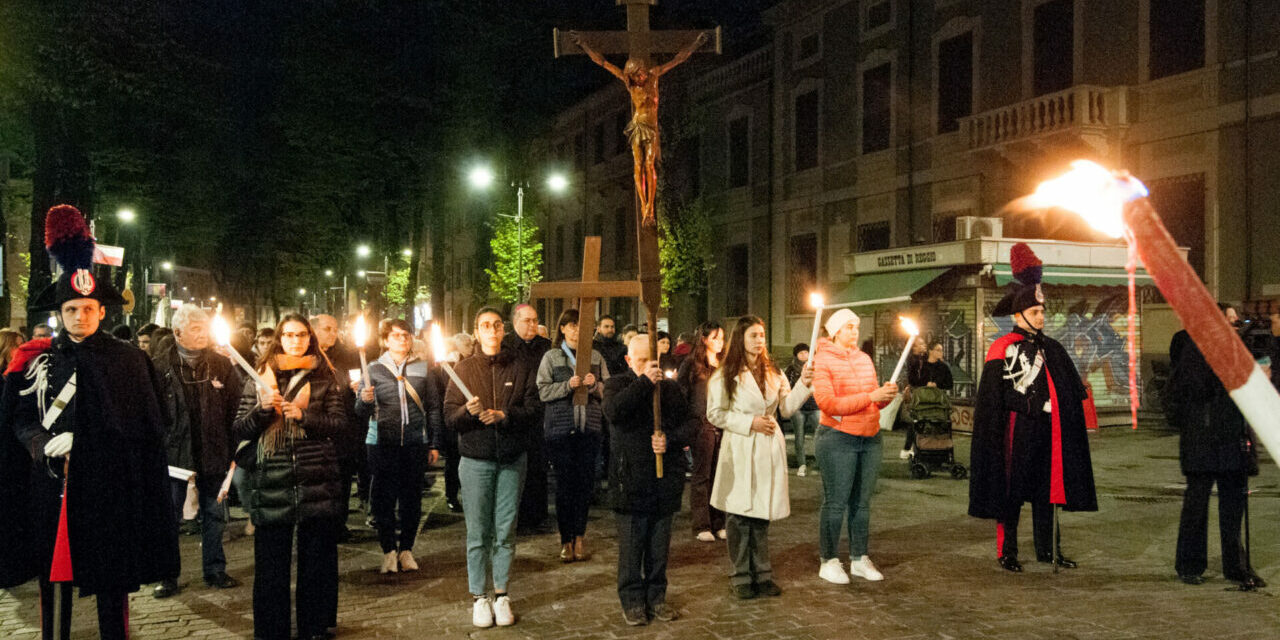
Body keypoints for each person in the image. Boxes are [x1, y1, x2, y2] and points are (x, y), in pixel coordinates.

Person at [0, 204, 178, 640]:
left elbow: (149, 427)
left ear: (103, 312)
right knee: (53, 581)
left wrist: (88, 440)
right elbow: (18, 418)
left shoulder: (130, 361)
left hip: (107, 490)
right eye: (72, 309)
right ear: (60, 313)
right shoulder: (34, 360)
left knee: (111, 583)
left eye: (89, 308)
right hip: (53, 489)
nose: (81, 316)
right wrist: (41, 442)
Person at [968, 243, 1097, 573]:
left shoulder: (1051, 347)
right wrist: (1033, 403)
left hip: (1048, 433)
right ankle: (1006, 551)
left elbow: (1069, 388)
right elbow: (995, 396)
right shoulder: (1002, 347)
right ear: (1018, 315)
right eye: (1036, 312)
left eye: (1042, 312)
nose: (1042, 316)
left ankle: (1048, 550)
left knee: (1047, 491)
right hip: (1017, 431)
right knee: (1011, 493)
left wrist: (1065, 405)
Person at [232, 314, 347, 640]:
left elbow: (339, 426)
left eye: (301, 335)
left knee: (317, 561)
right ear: (279, 339)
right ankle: (272, 629)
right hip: (272, 478)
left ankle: (315, 626)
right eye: (289, 335)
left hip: (316, 477)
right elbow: (240, 429)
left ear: (310, 338)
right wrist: (263, 410)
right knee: (271, 566)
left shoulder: (325, 377)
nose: (296, 341)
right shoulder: (258, 377)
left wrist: (306, 416)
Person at [443, 307, 540, 629]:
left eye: (497, 325)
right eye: (485, 325)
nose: (492, 330)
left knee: (505, 529)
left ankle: (501, 592)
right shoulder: (465, 369)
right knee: (478, 532)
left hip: (512, 459)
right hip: (476, 460)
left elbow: (533, 408)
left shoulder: (521, 366)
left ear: (503, 330)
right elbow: (449, 418)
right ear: (477, 332)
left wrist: (505, 416)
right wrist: (468, 412)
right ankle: (478, 596)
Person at [706, 316, 813, 599]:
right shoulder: (725, 373)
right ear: (741, 339)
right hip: (741, 446)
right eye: (753, 335)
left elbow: (787, 408)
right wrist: (749, 423)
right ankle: (741, 574)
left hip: (767, 446)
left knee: (761, 513)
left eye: (762, 334)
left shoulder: (772, 371)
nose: (759, 340)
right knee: (740, 514)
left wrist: (803, 383)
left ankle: (763, 574)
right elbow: (715, 413)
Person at [1169, 304, 1267, 588]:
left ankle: (1236, 566)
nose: (1235, 327)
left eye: (1237, 323)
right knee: (1197, 504)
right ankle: (1189, 564)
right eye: (1230, 322)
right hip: (1203, 437)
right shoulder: (1193, 347)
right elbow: (1194, 387)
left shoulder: (1240, 352)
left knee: (1234, 503)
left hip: (1233, 437)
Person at [153, 304, 243, 598]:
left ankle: (215, 569)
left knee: (214, 514)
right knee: (169, 517)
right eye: (195, 329)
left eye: (204, 327)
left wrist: (233, 447)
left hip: (214, 453)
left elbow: (236, 407)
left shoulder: (221, 364)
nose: (202, 334)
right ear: (178, 332)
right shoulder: (158, 367)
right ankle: (167, 575)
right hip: (175, 456)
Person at [603, 334, 692, 626]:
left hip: (664, 481)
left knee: (658, 548)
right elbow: (615, 412)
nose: (648, 367)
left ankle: (657, 596)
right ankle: (631, 600)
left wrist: (671, 439)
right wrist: (644, 382)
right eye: (641, 361)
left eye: (651, 361)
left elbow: (691, 423)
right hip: (630, 480)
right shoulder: (617, 384)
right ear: (629, 360)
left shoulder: (670, 389)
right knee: (632, 548)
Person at [811, 309, 897, 585]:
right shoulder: (822, 360)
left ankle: (859, 558)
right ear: (835, 331)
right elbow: (828, 403)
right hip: (838, 438)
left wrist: (884, 396)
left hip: (869, 437)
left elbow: (872, 400)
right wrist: (871, 396)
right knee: (836, 502)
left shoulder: (863, 359)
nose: (854, 331)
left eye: (856, 326)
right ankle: (829, 559)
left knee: (862, 503)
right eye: (849, 327)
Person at [355, 318, 442, 574]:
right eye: (395, 335)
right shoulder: (372, 368)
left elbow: (433, 407)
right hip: (382, 443)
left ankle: (406, 549)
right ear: (385, 340)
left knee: (411, 498)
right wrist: (364, 399)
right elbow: (361, 411)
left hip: (415, 442)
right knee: (383, 498)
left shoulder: (424, 369)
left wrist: (434, 442)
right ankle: (388, 551)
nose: (402, 340)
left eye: (406, 335)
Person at [537, 309, 608, 562]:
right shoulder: (552, 357)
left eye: (582, 326)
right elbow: (543, 391)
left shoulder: (596, 357)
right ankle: (565, 539)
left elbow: (607, 391)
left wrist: (594, 385)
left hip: (589, 429)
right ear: (563, 328)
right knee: (565, 488)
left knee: (585, 487)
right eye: (573, 325)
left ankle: (580, 536)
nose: (578, 330)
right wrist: (568, 385)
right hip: (561, 430)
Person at [312, 313, 368, 540]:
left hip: (345, 428)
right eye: (327, 329)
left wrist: (359, 389)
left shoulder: (347, 357)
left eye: (335, 329)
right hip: (317, 428)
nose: (333, 333)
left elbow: (359, 381)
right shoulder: (308, 357)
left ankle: (339, 523)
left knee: (343, 478)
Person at [502, 304, 552, 534]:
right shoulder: (506, 346)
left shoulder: (545, 347)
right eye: (527, 321)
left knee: (538, 467)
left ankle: (538, 515)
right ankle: (517, 516)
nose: (532, 325)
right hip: (515, 412)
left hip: (540, 414)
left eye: (535, 320)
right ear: (515, 322)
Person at [677, 321, 726, 542]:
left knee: (720, 475)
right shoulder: (692, 364)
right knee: (702, 475)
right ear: (704, 339)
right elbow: (682, 395)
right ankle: (702, 524)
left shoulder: (724, 364)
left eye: (722, 338)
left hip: (722, 424)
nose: (719, 343)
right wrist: (688, 424)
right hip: (702, 424)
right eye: (715, 338)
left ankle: (719, 521)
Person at [901, 341, 953, 459]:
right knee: (916, 422)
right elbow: (912, 380)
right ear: (931, 351)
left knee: (940, 423)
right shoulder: (921, 365)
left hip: (937, 402)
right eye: (938, 350)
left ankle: (939, 450)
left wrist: (937, 384)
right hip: (921, 401)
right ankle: (909, 448)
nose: (941, 352)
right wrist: (925, 384)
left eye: (941, 350)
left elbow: (949, 384)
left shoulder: (944, 367)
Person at [784, 342, 821, 476]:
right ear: (796, 355)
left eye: (806, 352)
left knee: (820, 435)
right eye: (801, 353)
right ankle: (802, 464)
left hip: (814, 406)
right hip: (798, 408)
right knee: (799, 436)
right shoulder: (791, 370)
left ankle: (820, 463)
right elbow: (786, 387)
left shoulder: (815, 367)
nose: (804, 355)